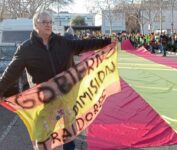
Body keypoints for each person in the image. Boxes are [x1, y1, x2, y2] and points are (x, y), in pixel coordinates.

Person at [0, 10, 111, 150]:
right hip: (44, 102)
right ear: (36, 25)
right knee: (43, 138)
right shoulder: (26, 49)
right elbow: (11, 73)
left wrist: (107, 42)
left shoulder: (63, 42)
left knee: (69, 137)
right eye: (44, 22)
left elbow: (84, 44)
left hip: (67, 98)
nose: (48, 25)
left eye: (50, 22)